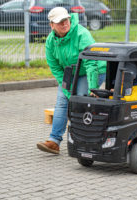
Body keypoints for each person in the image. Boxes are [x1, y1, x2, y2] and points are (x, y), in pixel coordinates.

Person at [37, 7, 106, 154]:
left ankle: (82, 139)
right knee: (62, 100)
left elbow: (91, 63)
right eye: (59, 22)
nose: (64, 23)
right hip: (72, 73)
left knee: (79, 98)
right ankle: (54, 141)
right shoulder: (50, 42)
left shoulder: (81, 34)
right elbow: (55, 68)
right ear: (52, 25)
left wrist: (92, 89)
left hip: (94, 70)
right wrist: (66, 90)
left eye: (66, 20)